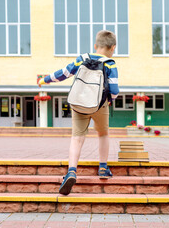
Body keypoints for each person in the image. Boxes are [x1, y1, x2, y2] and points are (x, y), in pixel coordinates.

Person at [38, 30, 119, 195]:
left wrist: (45, 79)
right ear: (113, 47)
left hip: (79, 103)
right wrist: (109, 99)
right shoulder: (110, 63)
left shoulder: (82, 59)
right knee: (103, 134)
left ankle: (72, 171)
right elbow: (115, 90)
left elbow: (63, 74)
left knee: (77, 138)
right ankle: (103, 168)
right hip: (99, 105)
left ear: (95, 46)